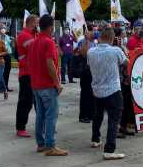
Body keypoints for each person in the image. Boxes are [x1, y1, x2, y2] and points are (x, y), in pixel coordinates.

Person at [29, 15, 67, 156]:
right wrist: (57, 82)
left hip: (36, 85)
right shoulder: (48, 42)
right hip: (47, 85)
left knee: (40, 115)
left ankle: (41, 143)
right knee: (51, 115)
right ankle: (50, 146)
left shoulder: (34, 42)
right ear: (51, 27)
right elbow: (50, 63)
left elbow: (31, 63)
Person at [88, 27, 127, 160]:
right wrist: (121, 47)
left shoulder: (91, 52)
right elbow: (126, 62)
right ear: (112, 38)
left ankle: (95, 139)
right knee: (113, 120)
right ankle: (109, 149)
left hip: (97, 90)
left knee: (97, 116)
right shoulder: (116, 50)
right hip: (113, 90)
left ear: (100, 37)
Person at [15, 15, 38, 138]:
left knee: (36, 102)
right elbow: (35, 49)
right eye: (36, 23)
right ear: (31, 22)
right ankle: (20, 127)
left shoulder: (32, 35)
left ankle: (42, 126)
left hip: (32, 72)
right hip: (26, 73)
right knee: (26, 102)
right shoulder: (24, 35)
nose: (37, 25)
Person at [76, 29, 97, 123]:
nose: (93, 32)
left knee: (92, 93)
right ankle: (83, 116)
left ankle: (91, 114)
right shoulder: (83, 42)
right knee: (85, 94)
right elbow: (83, 53)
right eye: (91, 31)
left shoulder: (95, 43)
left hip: (93, 70)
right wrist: (87, 41)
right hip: (85, 70)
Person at [0, 25, 14, 92]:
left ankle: (5, 86)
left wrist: (13, 41)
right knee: (0, 72)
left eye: (4, 28)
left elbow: (12, 45)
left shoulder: (8, 37)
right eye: (1, 28)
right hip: (0, 56)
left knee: (7, 71)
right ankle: (0, 87)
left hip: (7, 55)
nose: (3, 29)